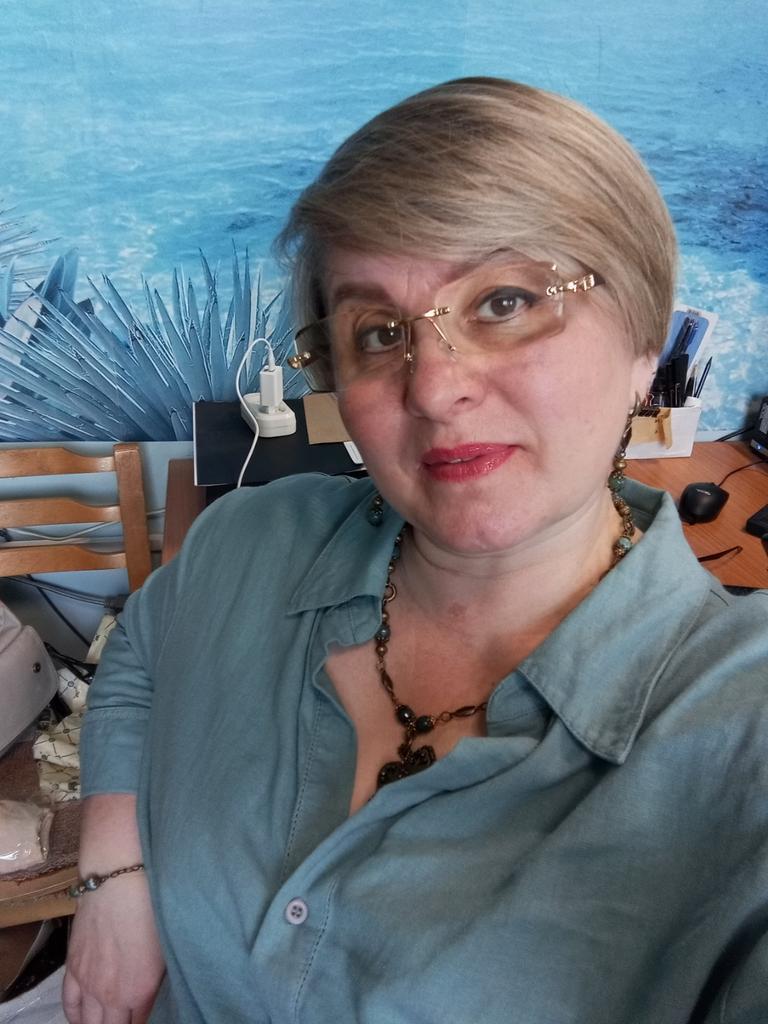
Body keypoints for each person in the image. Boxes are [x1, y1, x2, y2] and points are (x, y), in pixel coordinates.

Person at [63, 78, 768, 1024]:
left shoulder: (741, 734)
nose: (434, 388)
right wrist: (115, 876)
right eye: (379, 333)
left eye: (505, 302)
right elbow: (140, 658)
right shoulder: (246, 540)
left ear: (647, 339)